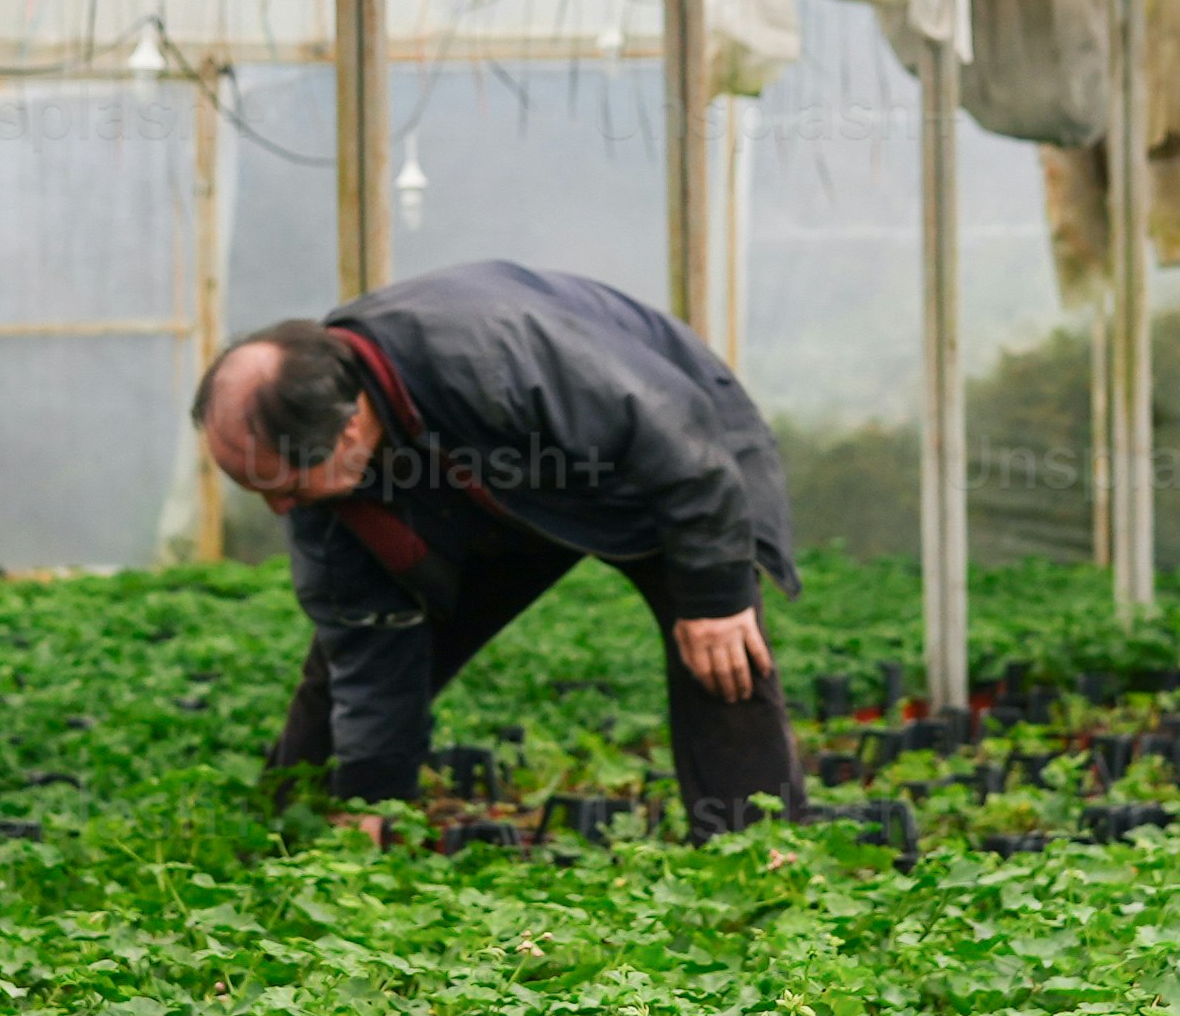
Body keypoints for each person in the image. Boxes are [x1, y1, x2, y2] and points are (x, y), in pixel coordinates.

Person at [195, 261, 802, 825]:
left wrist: (716, 598)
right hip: (487, 489)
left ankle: (753, 847)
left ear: (349, 426)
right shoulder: (319, 466)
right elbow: (366, 635)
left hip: (655, 470)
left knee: (720, 648)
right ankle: (295, 829)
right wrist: (370, 800)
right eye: (254, 487)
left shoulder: (493, 353)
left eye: (282, 484)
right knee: (351, 639)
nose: (277, 507)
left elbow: (677, 446)